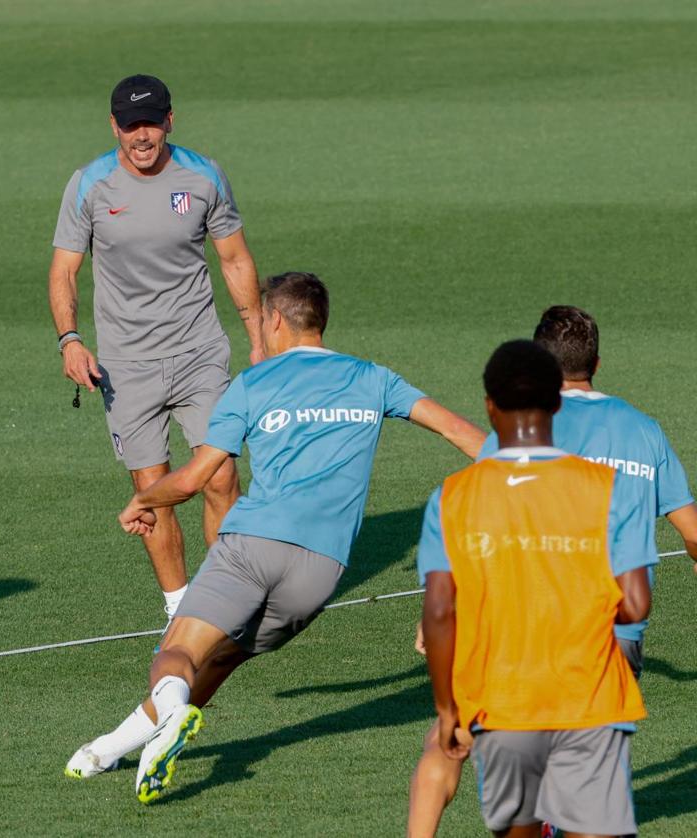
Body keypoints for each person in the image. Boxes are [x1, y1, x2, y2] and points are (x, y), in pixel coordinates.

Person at [64, 272, 485, 803]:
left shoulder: (253, 384)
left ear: (276, 320)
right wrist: (531, 472)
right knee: (222, 658)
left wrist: (145, 501)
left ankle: (167, 716)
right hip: (321, 571)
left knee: (177, 653)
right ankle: (110, 749)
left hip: (253, 545)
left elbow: (195, 479)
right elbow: (457, 430)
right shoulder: (374, 379)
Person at [407, 307, 697, 836]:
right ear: (598, 363)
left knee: (455, 749)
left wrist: (440, 618)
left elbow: (484, 531)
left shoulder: (515, 439)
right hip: (611, 643)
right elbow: (689, 537)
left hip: (521, 634)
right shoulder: (643, 433)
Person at [48, 74, 264, 625]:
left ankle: (223, 601)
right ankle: (178, 608)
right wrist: (70, 340)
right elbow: (64, 272)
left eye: (150, 123)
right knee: (154, 488)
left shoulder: (203, 174)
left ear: (170, 119)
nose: (141, 136)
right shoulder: (89, 184)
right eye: (129, 125)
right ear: (113, 126)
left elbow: (234, 258)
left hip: (199, 352)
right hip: (125, 366)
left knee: (219, 475)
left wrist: (259, 340)